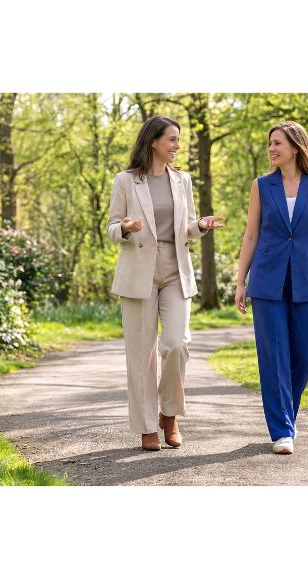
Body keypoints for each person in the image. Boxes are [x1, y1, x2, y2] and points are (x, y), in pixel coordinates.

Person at [107, 115, 224, 451]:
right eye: (171, 139)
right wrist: (126, 227)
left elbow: (186, 226)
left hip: (176, 271)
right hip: (138, 275)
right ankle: (146, 427)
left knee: (176, 344)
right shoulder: (126, 181)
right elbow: (112, 227)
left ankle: (169, 415)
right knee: (141, 355)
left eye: (178, 139)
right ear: (153, 141)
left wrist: (199, 225)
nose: (177, 145)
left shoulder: (181, 180)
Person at [234, 121, 308, 455]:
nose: (272, 149)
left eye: (277, 143)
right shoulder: (261, 186)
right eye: (270, 144)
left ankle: (286, 417)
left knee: (305, 351)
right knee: (273, 354)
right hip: (267, 279)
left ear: (295, 146)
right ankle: (282, 429)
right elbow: (251, 234)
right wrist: (240, 280)